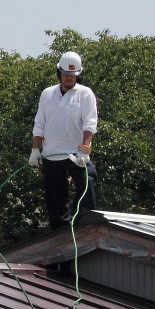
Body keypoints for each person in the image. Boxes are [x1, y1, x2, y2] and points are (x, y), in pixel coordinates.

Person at [29, 51, 98, 230]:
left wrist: (85, 149)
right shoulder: (47, 94)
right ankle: (60, 236)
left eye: (73, 75)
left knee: (87, 181)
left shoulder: (85, 94)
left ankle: (85, 226)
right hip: (52, 153)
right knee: (55, 201)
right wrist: (35, 150)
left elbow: (90, 123)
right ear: (59, 72)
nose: (69, 78)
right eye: (66, 74)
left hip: (76, 153)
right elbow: (39, 124)